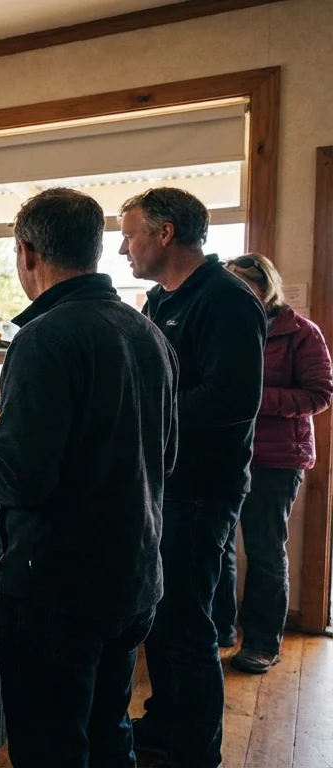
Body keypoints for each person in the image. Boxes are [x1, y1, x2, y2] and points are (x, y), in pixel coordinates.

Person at [0, 188, 177, 767]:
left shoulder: (45, 337)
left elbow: (20, 478)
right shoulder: (147, 331)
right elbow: (166, 455)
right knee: (108, 732)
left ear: (27, 253)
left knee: (50, 746)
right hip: (134, 577)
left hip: (58, 588)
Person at [121, 188, 267, 767]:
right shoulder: (158, 299)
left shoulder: (227, 299)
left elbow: (232, 399)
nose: (124, 247)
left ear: (164, 234)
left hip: (202, 488)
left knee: (186, 621)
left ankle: (195, 751)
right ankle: (165, 725)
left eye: (131, 233)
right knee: (161, 614)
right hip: (162, 485)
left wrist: (145, 414)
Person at [213, 254, 332, 673]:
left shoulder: (301, 332)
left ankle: (263, 642)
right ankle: (219, 630)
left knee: (264, 552)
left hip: (277, 459)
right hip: (226, 453)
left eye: (247, 286)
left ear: (267, 287)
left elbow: (319, 394)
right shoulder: (223, 327)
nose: (239, 294)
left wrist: (252, 397)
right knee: (219, 546)